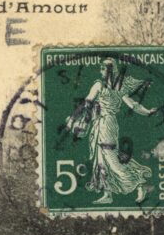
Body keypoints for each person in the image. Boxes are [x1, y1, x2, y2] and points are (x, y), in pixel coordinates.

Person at [65, 57, 158, 205]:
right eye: (101, 68)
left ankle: (139, 184)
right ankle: (107, 193)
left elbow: (132, 105)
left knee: (111, 158)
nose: (101, 71)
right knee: (100, 159)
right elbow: (86, 103)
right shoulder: (103, 85)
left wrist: (147, 112)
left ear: (110, 70)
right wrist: (72, 118)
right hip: (99, 124)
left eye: (104, 68)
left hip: (107, 124)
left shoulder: (114, 87)